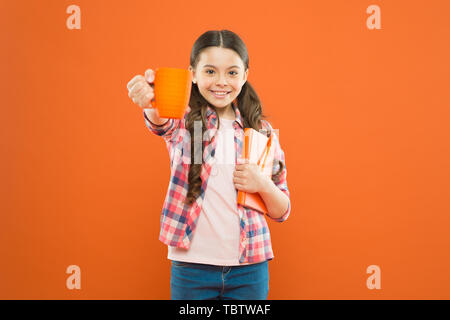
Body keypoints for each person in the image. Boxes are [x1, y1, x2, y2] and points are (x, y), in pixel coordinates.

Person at [126, 30, 291, 300]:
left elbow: (282, 210)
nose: (221, 82)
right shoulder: (185, 122)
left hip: (249, 268)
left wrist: (261, 184)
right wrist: (150, 101)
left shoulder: (262, 132)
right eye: (210, 71)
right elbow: (160, 122)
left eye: (232, 73)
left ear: (246, 75)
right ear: (193, 73)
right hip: (192, 268)